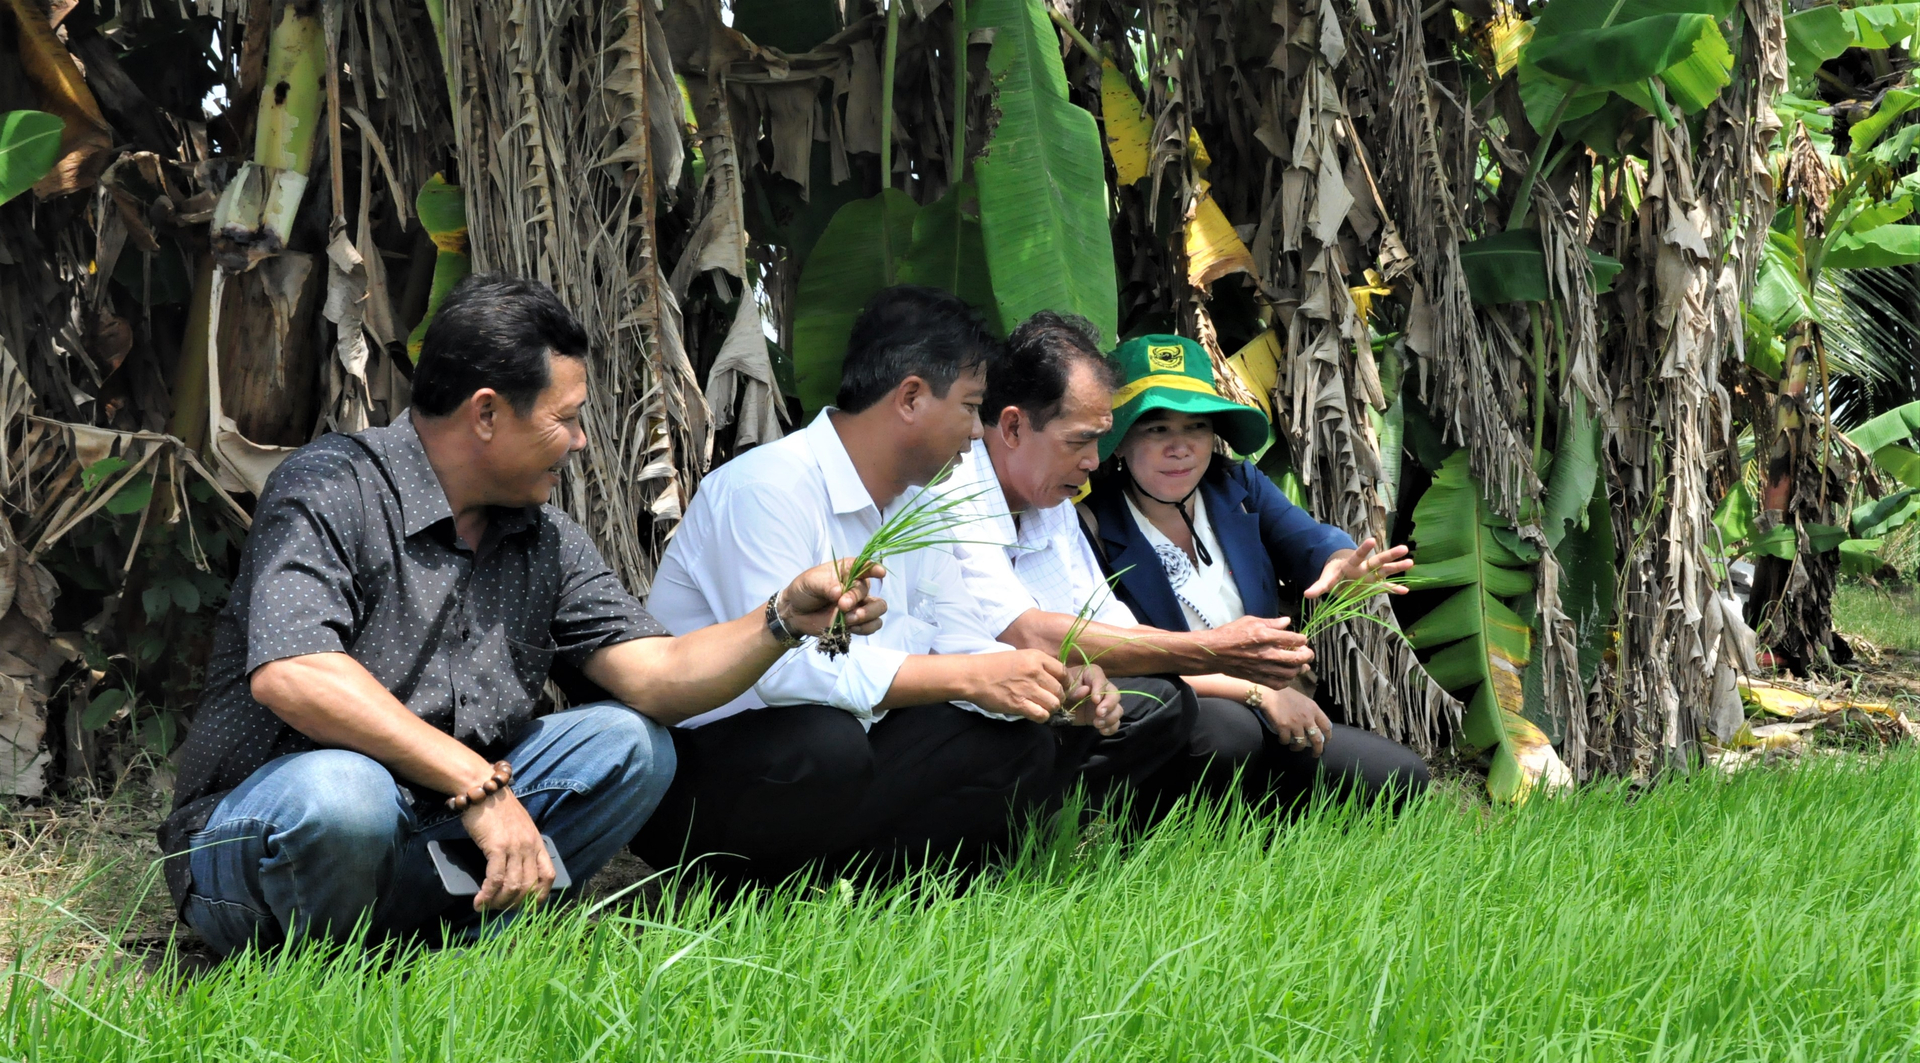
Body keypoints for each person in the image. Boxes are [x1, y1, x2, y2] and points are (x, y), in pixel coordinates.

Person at [157, 277, 885, 956]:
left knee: (632, 745)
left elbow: (657, 677)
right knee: (346, 795)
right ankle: (324, 956)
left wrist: (784, 617)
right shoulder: (330, 485)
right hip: (270, 840)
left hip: (430, 828)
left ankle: (450, 932)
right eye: (566, 419)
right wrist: (477, 785)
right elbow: (294, 674)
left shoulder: (544, 538)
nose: (581, 441)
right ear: (485, 413)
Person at [639, 287, 1121, 886]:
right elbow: (792, 676)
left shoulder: (921, 505)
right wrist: (975, 677)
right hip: (716, 769)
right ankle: (734, 887)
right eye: (971, 408)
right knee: (825, 742)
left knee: (1025, 740)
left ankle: (849, 889)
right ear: (912, 398)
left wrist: (1045, 679)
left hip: (841, 750)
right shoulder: (765, 489)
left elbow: (958, 639)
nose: (978, 434)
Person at [936, 311, 1333, 813]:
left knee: (1391, 774)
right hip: (965, 717)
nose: (1092, 459)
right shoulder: (958, 486)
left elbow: (1106, 624)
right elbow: (1030, 635)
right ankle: (1040, 830)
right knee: (1196, 718)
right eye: (1081, 440)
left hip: (1072, 706)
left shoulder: (1056, 496)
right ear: (1013, 426)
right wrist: (1217, 653)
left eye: (1197, 427)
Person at [1084, 334, 1431, 809]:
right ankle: (1175, 837)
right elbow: (1127, 655)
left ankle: (1264, 826)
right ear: (1118, 441)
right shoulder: (1093, 523)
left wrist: (1342, 564)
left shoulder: (1236, 486)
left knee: (1399, 776)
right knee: (1228, 733)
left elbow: (1311, 541)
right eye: (1157, 429)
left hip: (1268, 705)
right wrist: (1258, 693)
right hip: (1178, 719)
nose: (1180, 447)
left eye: (1197, 427)